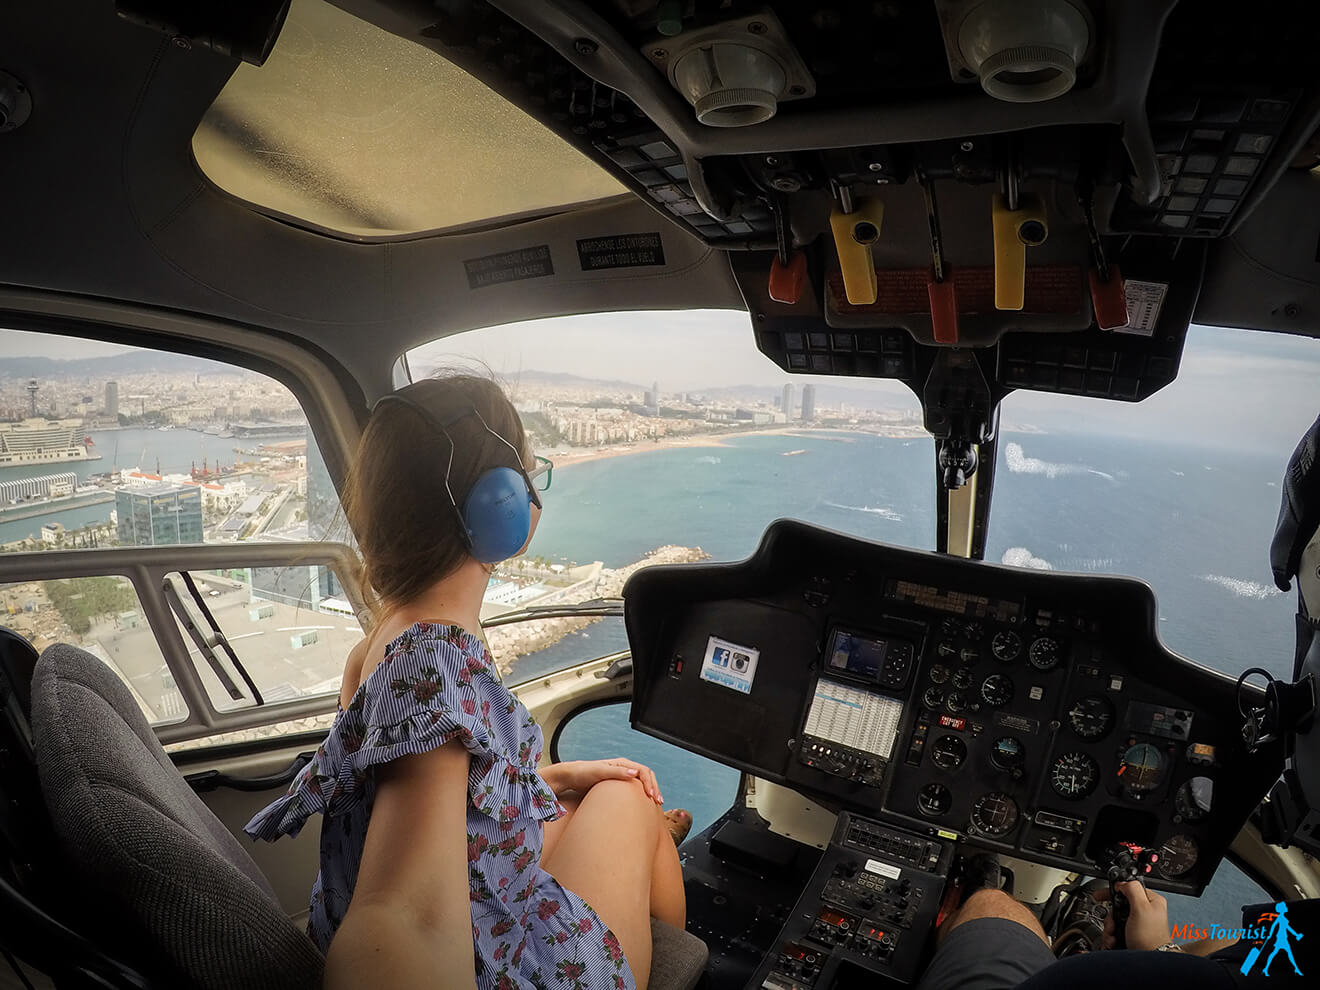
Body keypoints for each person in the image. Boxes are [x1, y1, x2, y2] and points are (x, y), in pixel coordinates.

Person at [245, 374, 689, 990]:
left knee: (575, 797)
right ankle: (684, 951)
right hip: (504, 965)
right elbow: (402, 917)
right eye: (532, 477)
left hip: (485, 909)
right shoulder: (435, 663)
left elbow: (420, 803)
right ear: (501, 504)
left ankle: (641, 853)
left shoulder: (386, 638)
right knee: (631, 799)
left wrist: (546, 778)